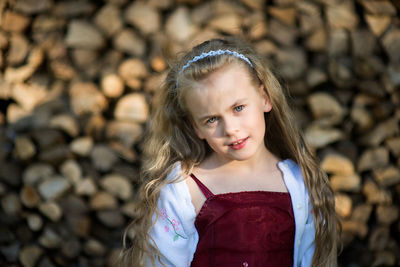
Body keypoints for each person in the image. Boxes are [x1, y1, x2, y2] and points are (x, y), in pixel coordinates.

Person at [118, 37, 339, 267]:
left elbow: (310, 258)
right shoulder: (183, 186)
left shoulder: (298, 181)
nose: (231, 129)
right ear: (196, 127)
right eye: (212, 119)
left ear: (265, 98)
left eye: (238, 108)